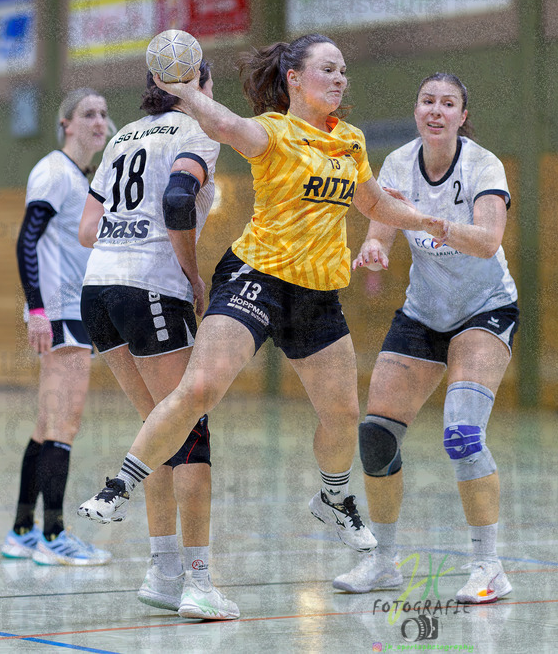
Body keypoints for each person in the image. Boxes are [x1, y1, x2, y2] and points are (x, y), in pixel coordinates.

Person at [78, 34, 449, 556]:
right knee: (200, 388)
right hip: (255, 277)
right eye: (328, 69)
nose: (341, 78)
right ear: (295, 79)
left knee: (344, 417)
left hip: (317, 294)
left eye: (344, 70)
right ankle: (120, 484)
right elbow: (226, 125)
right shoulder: (272, 131)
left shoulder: (351, 141)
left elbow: (375, 205)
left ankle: (335, 499)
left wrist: (428, 221)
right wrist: (185, 90)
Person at [331, 73, 516, 604]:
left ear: (462, 115)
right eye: (427, 101)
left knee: (462, 435)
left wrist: (431, 223)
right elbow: (382, 220)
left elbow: (487, 242)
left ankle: (489, 567)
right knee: (376, 437)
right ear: (417, 111)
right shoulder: (397, 165)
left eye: (448, 103)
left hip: (484, 310)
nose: (436, 110)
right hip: (422, 313)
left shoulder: (483, 166)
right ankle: (383, 561)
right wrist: (376, 248)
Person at [77, 61, 237, 619]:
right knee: (191, 428)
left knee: (159, 426)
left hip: (97, 289)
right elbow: (175, 199)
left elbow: (87, 229)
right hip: (150, 288)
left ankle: (163, 569)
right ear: (201, 87)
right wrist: (192, 275)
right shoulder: (197, 133)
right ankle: (197, 580)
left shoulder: (122, 136)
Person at [1, 88, 113, 565]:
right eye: (88, 114)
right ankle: (54, 537)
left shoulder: (81, 178)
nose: (99, 122)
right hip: (62, 315)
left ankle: (23, 531)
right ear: (65, 123)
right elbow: (26, 240)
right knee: (65, 423)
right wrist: (38, 310)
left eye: (104, 114)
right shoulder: (54, 172)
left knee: (49, 424)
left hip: (71, 311)